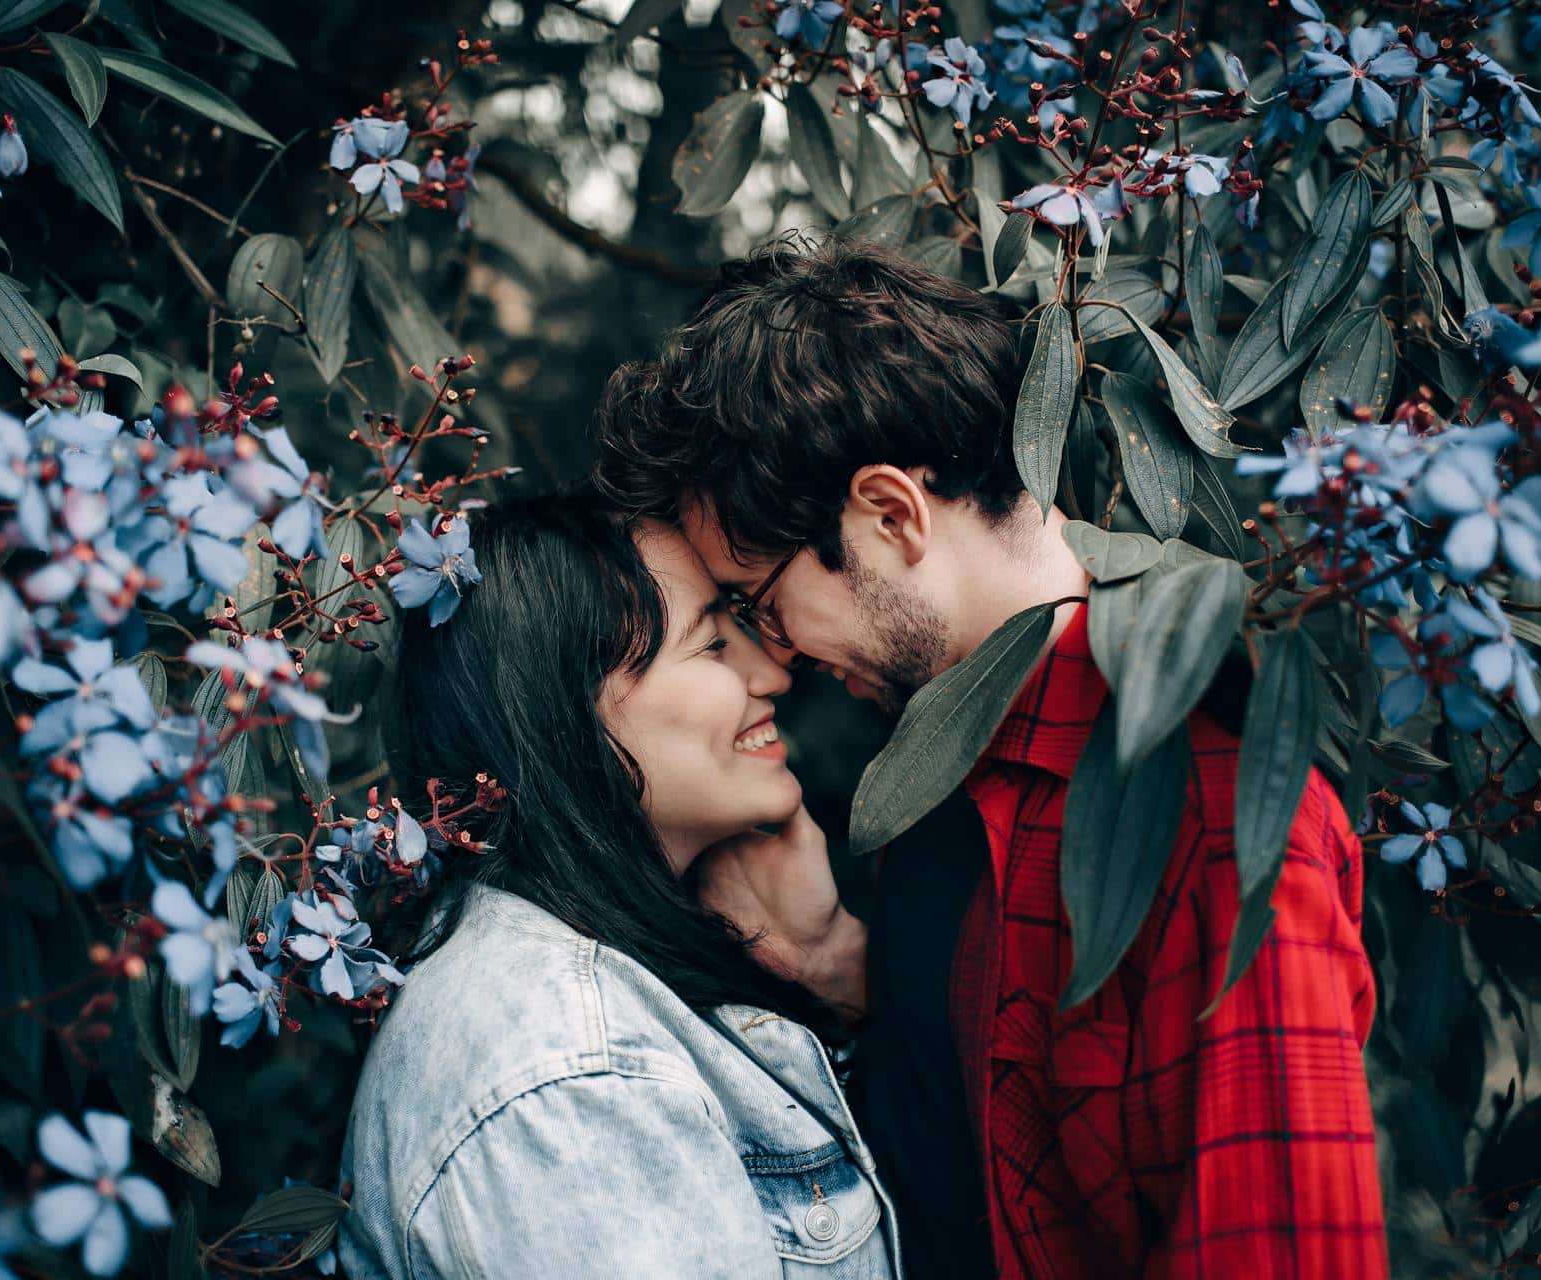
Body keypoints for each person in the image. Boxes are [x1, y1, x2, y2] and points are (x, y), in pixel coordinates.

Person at [593, 238, 1388, 1278]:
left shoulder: (1214, 806)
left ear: (890, 513)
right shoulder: (938, 772)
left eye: (760, 599)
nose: (776, 655)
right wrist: (843, 966)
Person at [337, 494, 900, 1280]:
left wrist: (825, 964)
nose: (772, 672)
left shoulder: (605, 988)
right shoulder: (568, 1076)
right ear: (566, 712)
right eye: (711, 646)